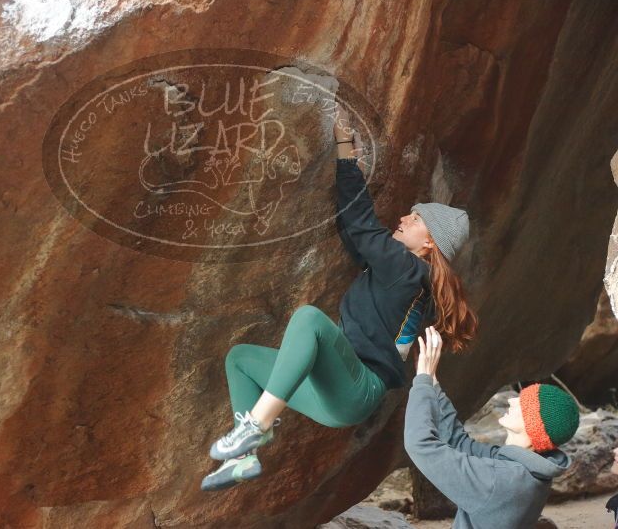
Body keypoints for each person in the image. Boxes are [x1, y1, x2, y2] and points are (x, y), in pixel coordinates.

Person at [201, 103, 477, 491]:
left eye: (414, 220)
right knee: (241, 359)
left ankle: (255, 428)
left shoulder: (409, 269)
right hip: (333, 394)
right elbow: (355, 235)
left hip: (358, 388)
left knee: (310, 319)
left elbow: (362, 226)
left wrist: (344, 149)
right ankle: (244, 459)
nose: (403, 219)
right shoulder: (409, 278)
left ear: (429, 242)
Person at [404, 326, 579, 528]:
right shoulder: (525, 466)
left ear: (533, 427)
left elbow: (420, 445)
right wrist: (433, 384)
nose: (512, 401)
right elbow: (458, 442)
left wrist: (422, 383)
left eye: (523, 403)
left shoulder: (502, 481)